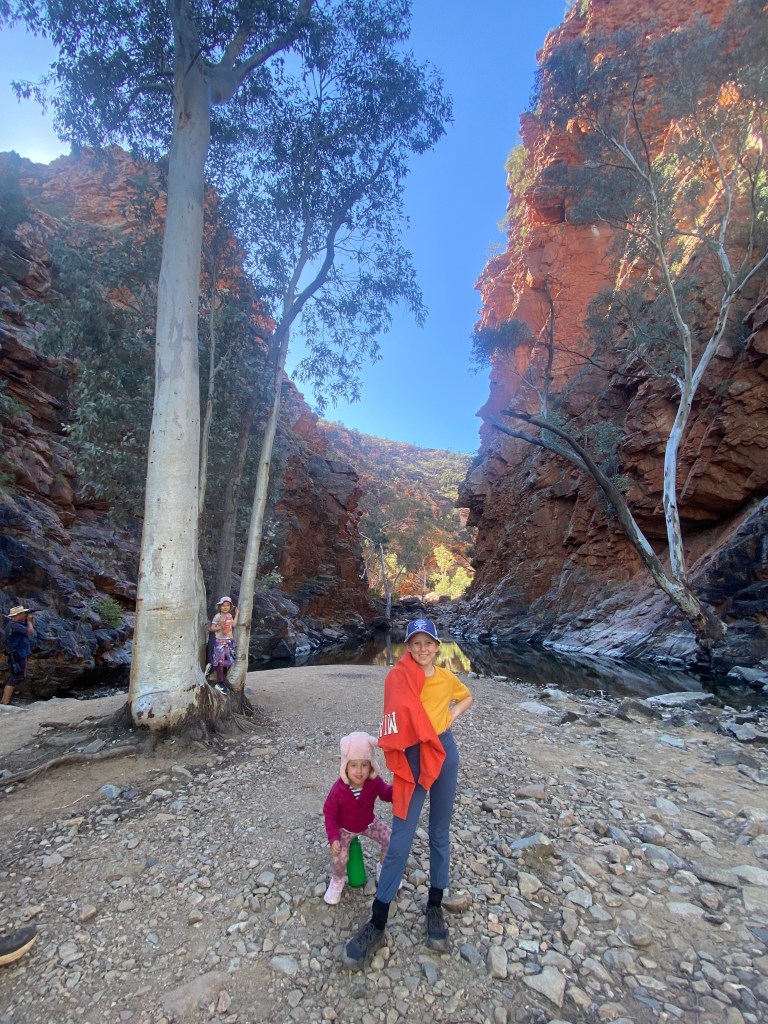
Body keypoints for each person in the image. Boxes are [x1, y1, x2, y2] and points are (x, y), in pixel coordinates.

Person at [342, 618, 473, 969]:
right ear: (409, 647)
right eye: (416, 643)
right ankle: (377, 921)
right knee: (400, 839)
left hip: (444, 754)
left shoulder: (446, 678)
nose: (423, 649)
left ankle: (434, 906)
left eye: (428, 643)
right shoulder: (399, 677)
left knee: (439, 833)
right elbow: (394, 717)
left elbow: (467, 697)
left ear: (437, 646)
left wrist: (451, 716)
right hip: (412, 758)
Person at [322, 732, 393, 905]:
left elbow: (386, 794)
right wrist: (333, 837)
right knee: (340, 857)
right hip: (345, 829)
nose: (359, 771)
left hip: (369, 824)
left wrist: (398, 788)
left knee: (390, 838)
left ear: (371, 766)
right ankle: (337, 880)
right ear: (346, 767)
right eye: (354, 765)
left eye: (364, 765)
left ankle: (383, 868)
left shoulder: (374, 782)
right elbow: (329, 813)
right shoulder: (339, 789)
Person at [2, 605, 35, 706]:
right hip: (18, 655)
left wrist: (28, 620)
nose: (24, 614)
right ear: (18, 615)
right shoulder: (16, 626)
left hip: (16, 654)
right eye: (23, 613)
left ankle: (4, 700)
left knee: (16, 676)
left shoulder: (13, 624)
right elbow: (30, 632)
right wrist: (29, 621)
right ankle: (5, 702)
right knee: (17, 677)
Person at [209, 596, 238, 694]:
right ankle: (220, 683)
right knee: (220, 663)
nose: (225, 607)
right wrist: (220, 627)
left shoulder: (229, 616)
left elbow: (233, 625)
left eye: (227, 605)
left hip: (228, 642)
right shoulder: (218, 616)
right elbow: (212, 628)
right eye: (223, 605)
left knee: (228, 662)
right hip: (220, 643)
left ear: (230, 607)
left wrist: (237, 614)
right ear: (220, 607)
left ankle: (222, 679)